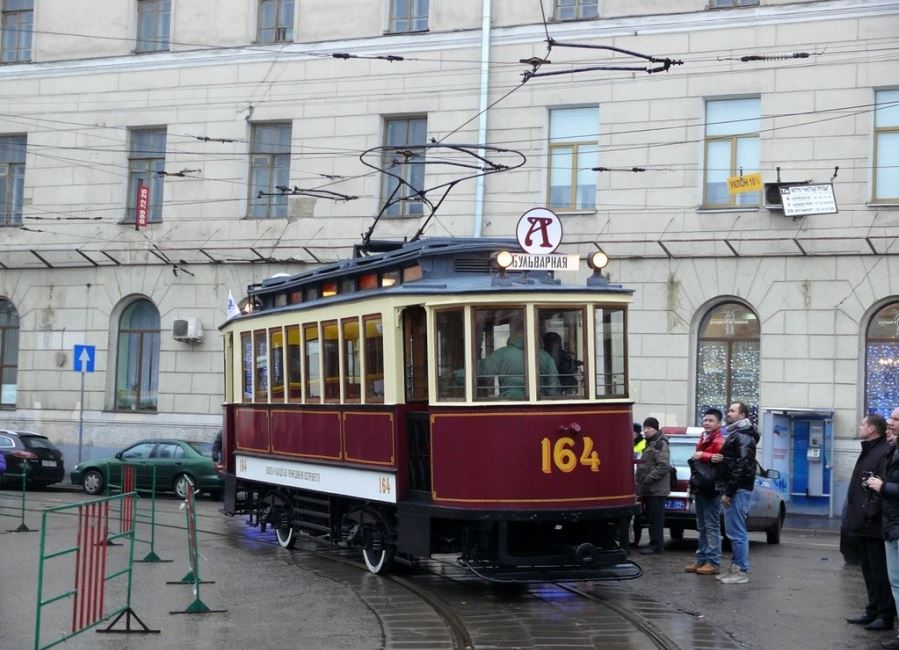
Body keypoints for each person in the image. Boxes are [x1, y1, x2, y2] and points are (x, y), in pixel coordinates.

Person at [843, 413, 895, 632]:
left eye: (863, 424)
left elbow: (879, 488)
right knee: (867, 569)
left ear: (872, 429)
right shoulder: (870, 450)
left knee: (879, 572)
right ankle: (872, 610)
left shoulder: (883, 451)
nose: (859, 427)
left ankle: (885, 614)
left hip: (873, 524)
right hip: (862, 524)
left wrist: (868, 513)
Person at [713, 402, 760, 584]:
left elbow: (742, 466)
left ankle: (740, 571)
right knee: (732, 531)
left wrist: (729, 492)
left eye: (733, 410)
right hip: (735, 488)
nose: (729, 413)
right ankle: (734, 569)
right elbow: (735, 462)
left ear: (742, 415)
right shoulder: (737, 434)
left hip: (738, 490)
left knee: (737, 532)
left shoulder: (743, 436)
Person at [866, 406, 899, 650]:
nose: (891, 423)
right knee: (895, 581)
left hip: (896, 525)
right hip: (891, 525)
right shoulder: (893, 450)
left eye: (896, 419)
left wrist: (882, 486)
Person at [684, 408, 726, 575]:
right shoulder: (704, 437)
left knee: (711, 525)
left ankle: (713, 561)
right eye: (705, 420)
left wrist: (702, 455)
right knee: (701, 525)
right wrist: (702, 455)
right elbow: (699, 458)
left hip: (711, 488)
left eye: (711, 420)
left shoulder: (719, 440)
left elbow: (717, 459)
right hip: (701, 486)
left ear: (718, 423)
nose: (707, 423)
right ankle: (702, 559)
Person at [478, 323, 559, 398]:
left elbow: (480, 370)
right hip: (537, 401)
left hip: (508, 401)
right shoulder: (545, 356)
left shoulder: (502, 353)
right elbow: (553, 385)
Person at [634, 417, 670, 555]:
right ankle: (654, 543)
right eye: (645, 428)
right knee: (652, 518)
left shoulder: (660, 444)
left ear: (656, 429)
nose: (646, 430)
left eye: (649, 428)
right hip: (650, 489)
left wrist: (647, 479)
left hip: (656, 489)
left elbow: (663, 466)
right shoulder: (650, 443)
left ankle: (656, 545)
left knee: (656, 520)